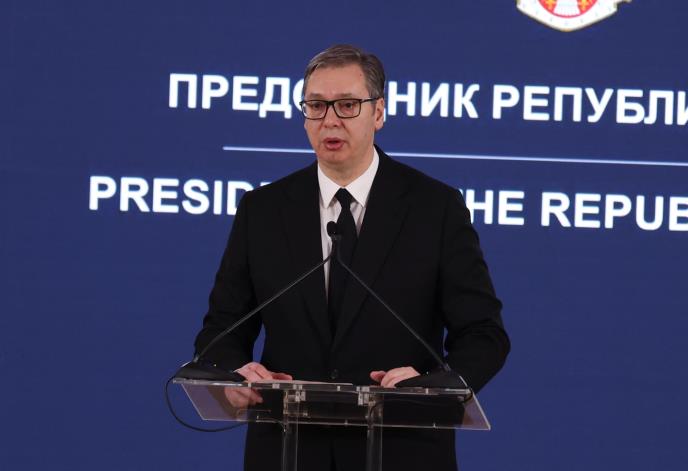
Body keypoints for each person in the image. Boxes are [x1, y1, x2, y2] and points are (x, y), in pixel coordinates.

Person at [193, 44, 510, 471]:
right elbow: (221, 332)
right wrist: (234, 374)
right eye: (316, 106)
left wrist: (436, 387)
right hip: (288, 451)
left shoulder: (435, 208)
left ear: (378, 113)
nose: (330, 120)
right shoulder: (262, 210)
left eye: (347, 105)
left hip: (402, 450)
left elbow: (483, 334)